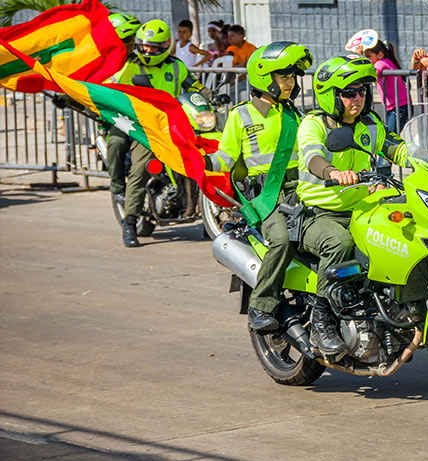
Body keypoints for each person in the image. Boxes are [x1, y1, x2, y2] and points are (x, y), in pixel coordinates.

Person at [297, 53, 408, 355]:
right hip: (320, 213)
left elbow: (395, 147)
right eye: (349, 92)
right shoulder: (313, 124)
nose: (357, 98)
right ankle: (322, 322)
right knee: (339, 244)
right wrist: (332, 172)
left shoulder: (370, 123)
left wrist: (426, 156)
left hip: (363, 209)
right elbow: (312, 157)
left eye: (362, 91)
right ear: (331, 94)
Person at [204, 42, 312, 331]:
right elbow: (224, 159)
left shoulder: (295, 115)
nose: (290, 83)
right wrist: (198, 161)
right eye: (284, 77)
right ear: (265, 79)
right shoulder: (242, 116)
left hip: (301, 189)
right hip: (267, 197)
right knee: (282, 239)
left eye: (292, 77)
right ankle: (261, 304)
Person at [116, 19, 210, 247]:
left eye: (154, 47)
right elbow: (117, 91)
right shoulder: (132, 67)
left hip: (177, 124)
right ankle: (129, 222)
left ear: (165, 45)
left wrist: (210, 94)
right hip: (146, 127)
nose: (148, 50)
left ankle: (210, 217)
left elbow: (194, 86)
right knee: (141, 167)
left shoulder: (176, 66)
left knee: (208, 158)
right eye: (144, 46)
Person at [104, 12, 142, 208]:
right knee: (117, 143)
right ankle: (118, 189)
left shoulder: (142, 62)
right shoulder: (104, 65)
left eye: (133, 39)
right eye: (127, 39)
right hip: (120, 118)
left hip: (146, 116)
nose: (132, 43)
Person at [361, 39, 410, 132]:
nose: (367, 60)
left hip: (399, 106)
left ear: (379, 55)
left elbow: (371, 74)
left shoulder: (381, 63)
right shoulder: (383, 62)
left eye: (368, 57)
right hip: (394, 106)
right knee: (390, 133)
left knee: (391, 135)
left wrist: (359, 58)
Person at [226, 24, 257, 101]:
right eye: (228, 36)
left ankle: (237, 109)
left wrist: (235, 81)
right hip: (236, 78)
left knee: (231, 91)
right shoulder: (230, 49)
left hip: (250, 79)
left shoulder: (251, 48)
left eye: (232, 36)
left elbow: (251, 69)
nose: (229, 39)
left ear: (241, 36)